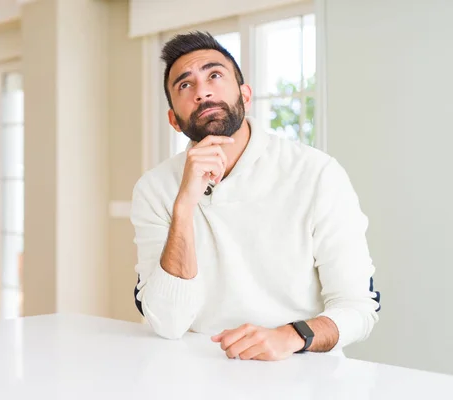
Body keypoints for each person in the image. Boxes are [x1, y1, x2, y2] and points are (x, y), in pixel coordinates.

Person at [130, 31, 381, 361]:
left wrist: (289, 337)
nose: (202, 91)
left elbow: (360, 308)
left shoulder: (317, 173)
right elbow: (167, 322)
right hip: (195, 371)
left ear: (246, 97)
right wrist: (184, 205)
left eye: (215, 75)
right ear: (174, 120)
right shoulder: (154, 188)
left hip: (304, 371)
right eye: (185, 85)